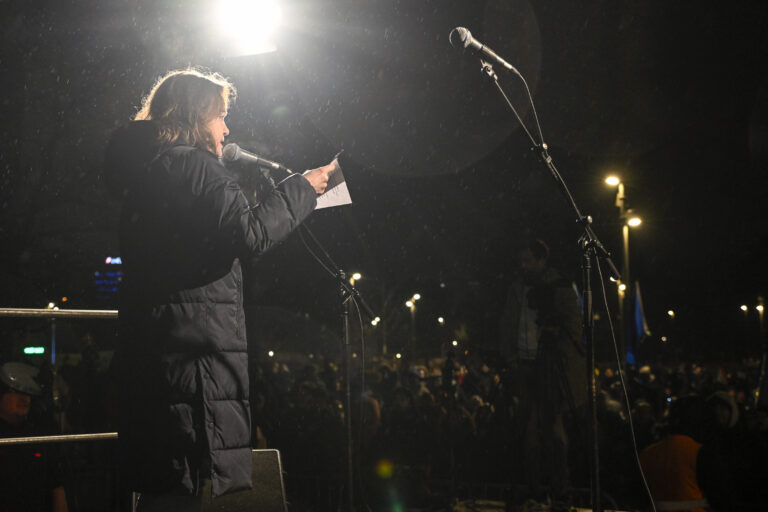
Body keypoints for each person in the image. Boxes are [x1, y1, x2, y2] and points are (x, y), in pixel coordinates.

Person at [104, 68, 336, 509]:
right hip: (193, 357)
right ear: (196, 115)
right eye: (220, 116)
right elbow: (249, 235)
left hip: (158, 352)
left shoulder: (153, 170)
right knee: (183, 487)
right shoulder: (194, 165)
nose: (226, 129)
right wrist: (302, 190)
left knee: (164, 483)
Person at [498, 237, 585, 497]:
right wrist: (511, 358)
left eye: (529, 260)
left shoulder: (560, 286)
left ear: (542, 260)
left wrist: (558, 346)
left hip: (551, 367)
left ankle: (559, 487)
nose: (524, 265)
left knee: (553, 429)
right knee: (529, 432)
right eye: (521, 261)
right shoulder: (517, 289)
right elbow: (507, 324)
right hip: (524, 365)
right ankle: (534, 488)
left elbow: (574, 326)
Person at [0, 362, 69, 512]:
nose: (23, 398)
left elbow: (56, 487)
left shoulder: (38, 435)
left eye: (27, 393)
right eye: (15, 391)